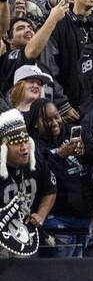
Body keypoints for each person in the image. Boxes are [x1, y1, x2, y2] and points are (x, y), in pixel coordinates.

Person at [26, 99, 93, 257]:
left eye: (56, 117)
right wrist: (59, 156)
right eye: (48, 120)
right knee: (60, 275)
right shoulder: (32, 145)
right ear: (36, 123)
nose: (55, 122)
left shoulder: (73, 132)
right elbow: (39, 177)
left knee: (79, 273)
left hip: (84, 216)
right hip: (58, 219)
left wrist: (85, 152)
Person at [0, 106, 55, 257]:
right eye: (17, 143)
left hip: (26, 237)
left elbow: (50, 190)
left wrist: (41, 215)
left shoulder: (35, 157)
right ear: (3, 148)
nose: (24, 148)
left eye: (26, 141)